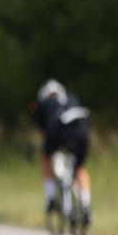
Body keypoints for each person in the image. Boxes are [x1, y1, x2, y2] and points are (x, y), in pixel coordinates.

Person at [31, 79, 91, 225]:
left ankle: (51, 197)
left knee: (45, 157)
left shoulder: (44, 104)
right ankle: (86, 203)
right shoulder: (72, 98)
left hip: (57, 132)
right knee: (79, 168)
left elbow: (44, 134)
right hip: (81, 133)